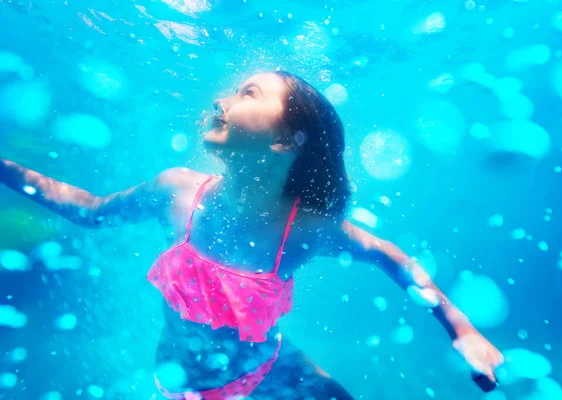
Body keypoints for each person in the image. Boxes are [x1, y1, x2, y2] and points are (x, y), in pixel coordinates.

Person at [0, 71, 503, 399]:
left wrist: (463, 329)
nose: (222, 98)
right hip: (184, 388)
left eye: (247, 93)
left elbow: (388, 256)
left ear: (288, 140)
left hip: (269, 367)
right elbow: (90, 210)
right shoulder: (177, 192)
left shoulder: (303, 230)